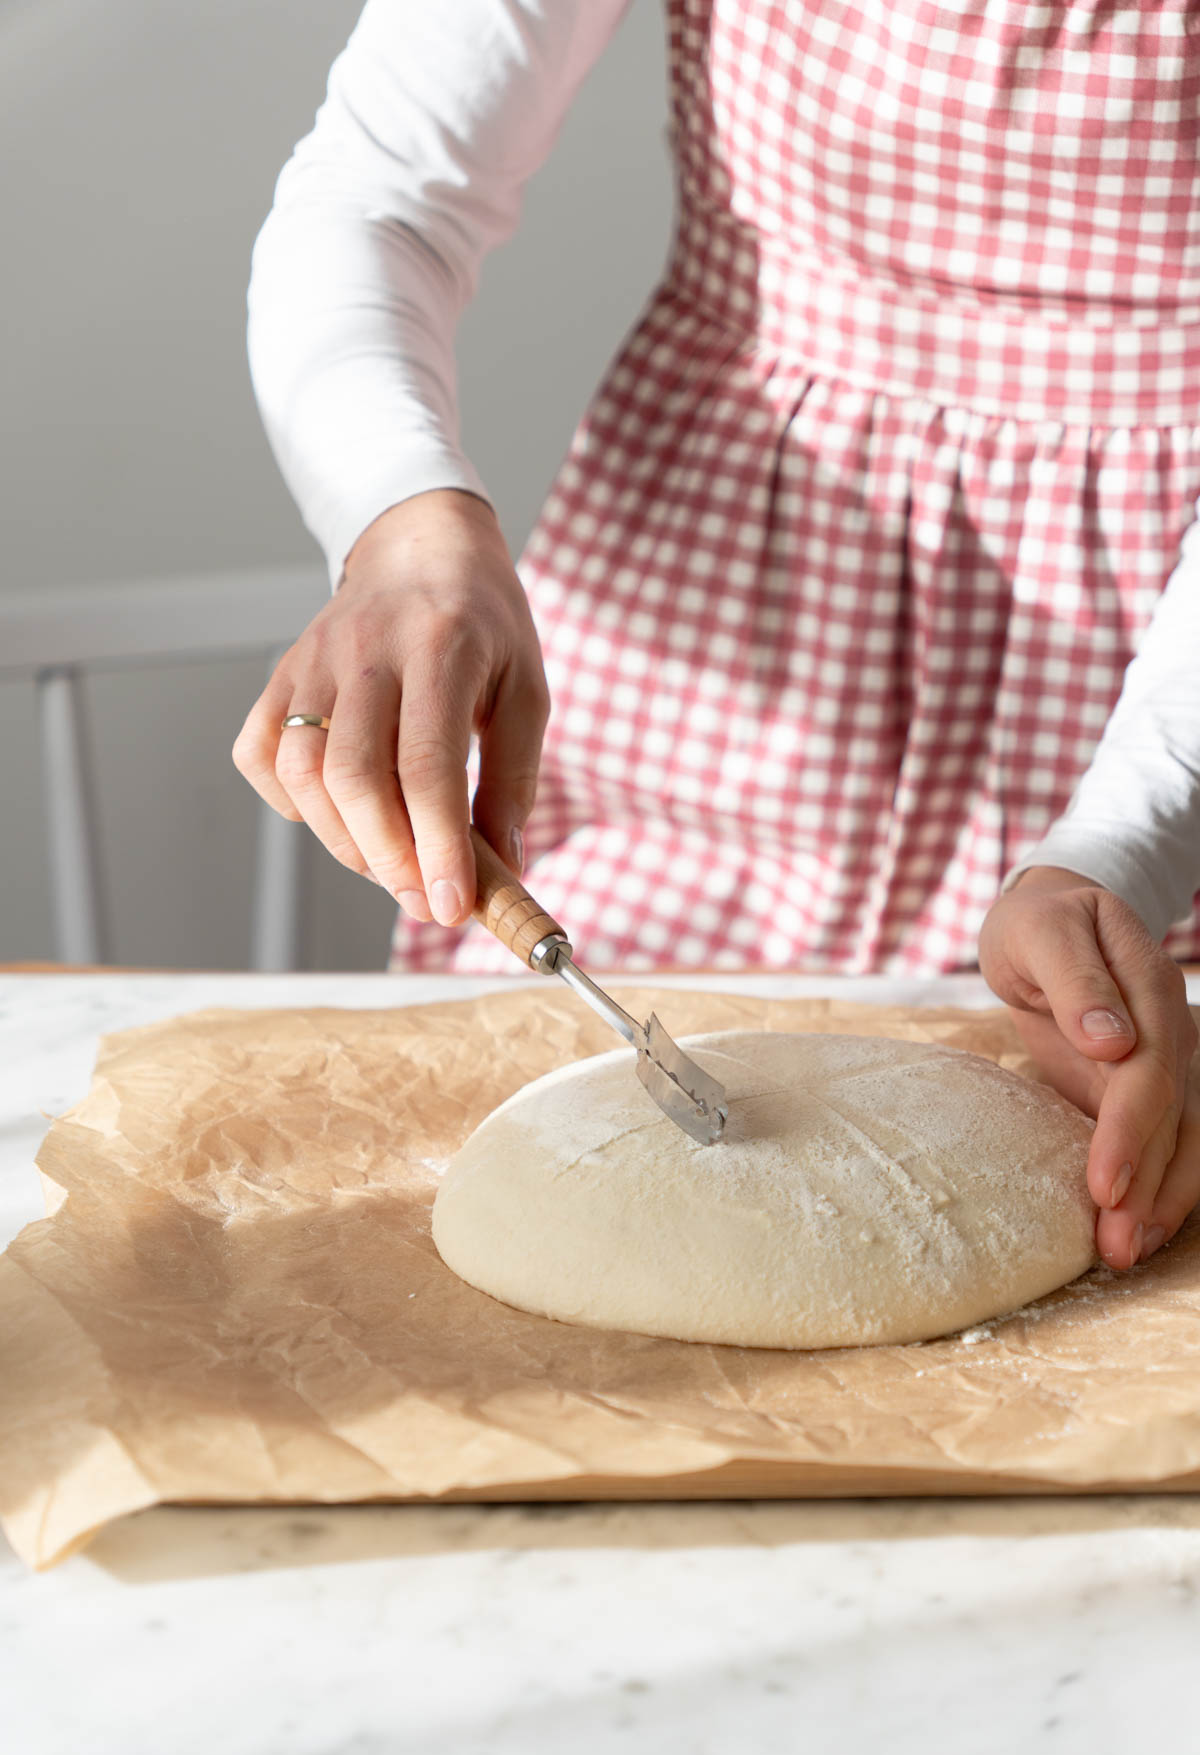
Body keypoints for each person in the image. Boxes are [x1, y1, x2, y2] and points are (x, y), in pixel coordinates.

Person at [237, 0, 1200, 1272]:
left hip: (1157, 714)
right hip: (717, 655)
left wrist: (1122, 853)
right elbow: (382, 198)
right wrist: (404, 525)